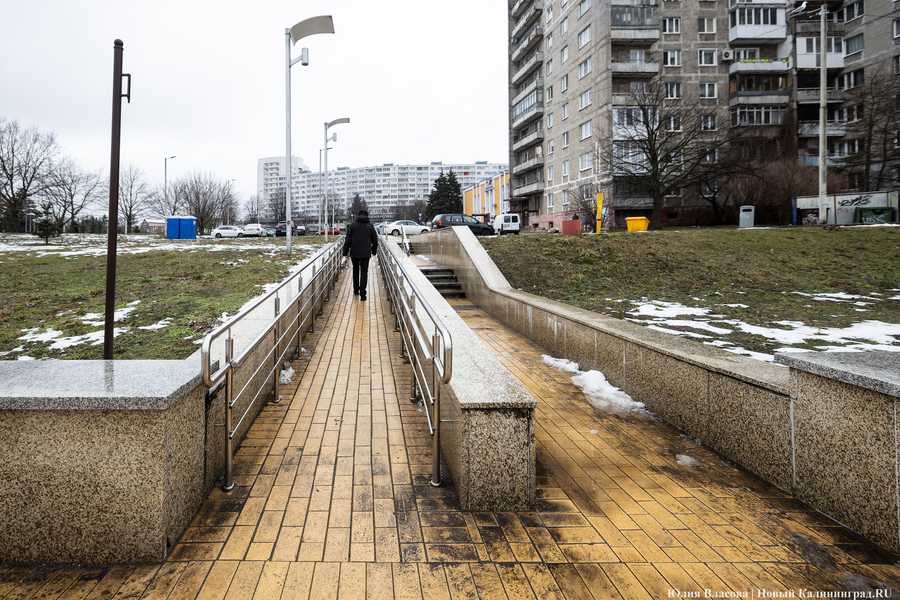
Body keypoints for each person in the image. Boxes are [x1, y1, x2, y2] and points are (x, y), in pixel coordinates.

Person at [342, 209, 378, 301]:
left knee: (355, 270)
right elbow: (375, 240)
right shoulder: (370, 226)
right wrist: (374, 251)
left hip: (354, 252)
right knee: (364, 272)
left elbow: (347, 240)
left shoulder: (353, 225)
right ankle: (363, 294)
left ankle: (355, 290)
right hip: (366, 253)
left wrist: (345, 253)